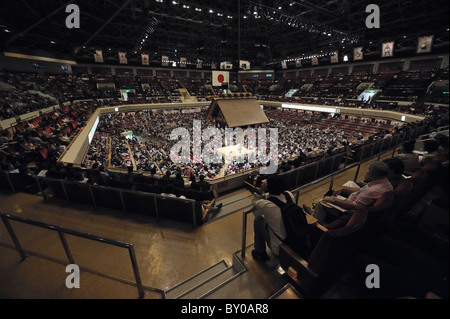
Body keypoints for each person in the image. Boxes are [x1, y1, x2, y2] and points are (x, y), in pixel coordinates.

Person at [304, 161, 393, 226]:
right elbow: (361, 191)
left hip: (348, 211)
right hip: (355, 200)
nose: (366, 172)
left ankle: (314, 221)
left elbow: (355, 206)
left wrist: (333, 199)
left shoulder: (373, 190)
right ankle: (315, 211)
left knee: (322, 202)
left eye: (368, 170)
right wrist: (343, 188)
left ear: (373, 173)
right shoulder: (385, 183)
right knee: (347, 184)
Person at [251, 174, 294, 262]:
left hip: (279, 247)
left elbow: (255, 202)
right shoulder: (289, 195)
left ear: (268, 188)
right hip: (293, 239)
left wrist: (260, 190)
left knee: (258, 220)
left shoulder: (266, 205)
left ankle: (260, 253)